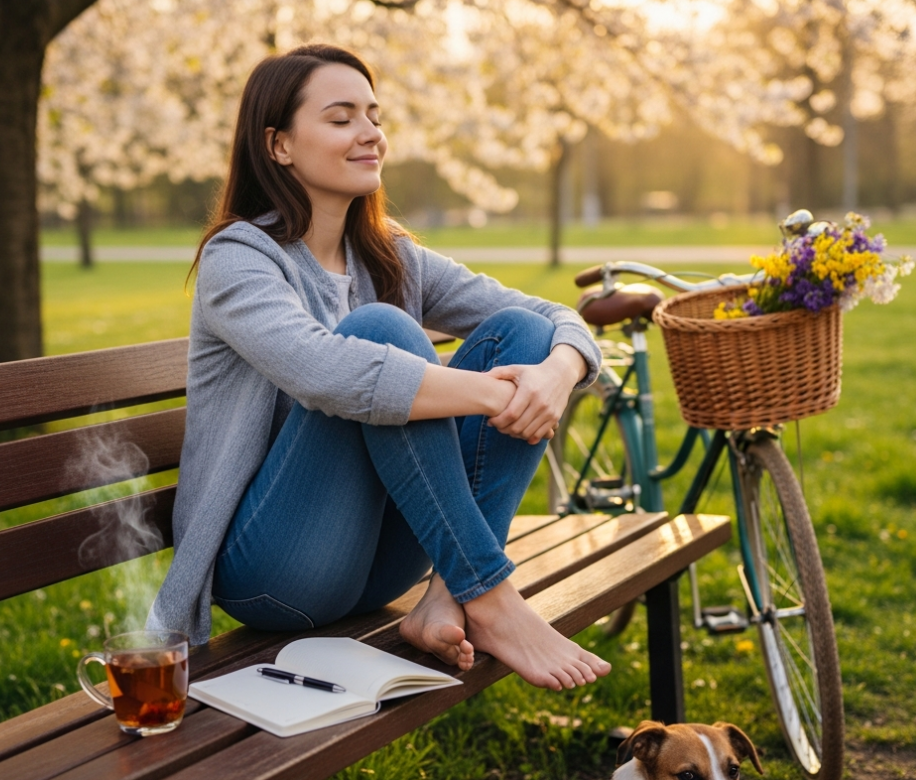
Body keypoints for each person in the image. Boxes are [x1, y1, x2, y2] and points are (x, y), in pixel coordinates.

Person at [149, 43, 610, 691]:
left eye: (374, 115)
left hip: (384, 567)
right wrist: (490, 394)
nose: (370, 134)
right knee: (380, 332)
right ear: (279, 145)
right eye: (341, 119)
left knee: (525, 334)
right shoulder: (240, 258)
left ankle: (449, 596)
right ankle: (491, 594)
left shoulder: (388, 254)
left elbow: (552, 316)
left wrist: (556, 373)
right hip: (274, 574)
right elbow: (327, 372)